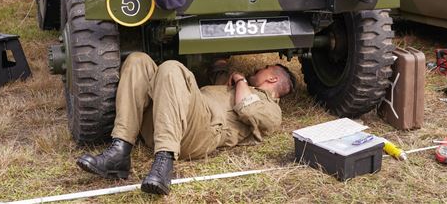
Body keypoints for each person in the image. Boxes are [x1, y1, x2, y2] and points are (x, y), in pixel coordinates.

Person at [76, 52, 296, 195]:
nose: (256, 70)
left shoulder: (271, 109)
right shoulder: (234, 87)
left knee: (171, 68)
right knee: (137, 61)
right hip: (168, 119)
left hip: (200, 132)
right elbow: (218, 70)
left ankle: (164, 162)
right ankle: (120, 151)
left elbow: (246, 107)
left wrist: (240, 79)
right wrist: (222, 60)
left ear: (273, 79)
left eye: (262, 70)